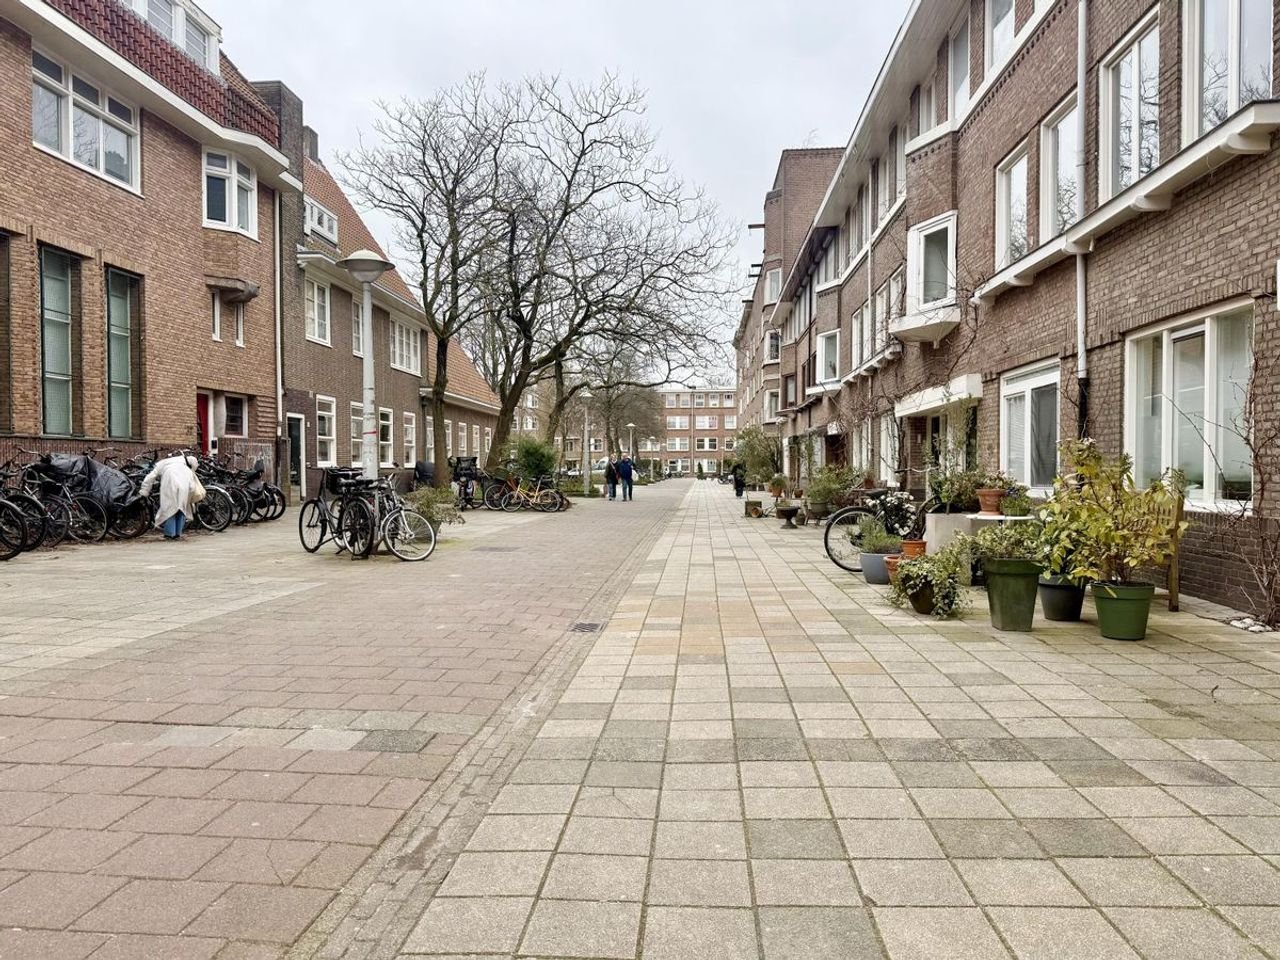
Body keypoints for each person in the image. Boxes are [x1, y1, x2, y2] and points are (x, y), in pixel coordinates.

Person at [139, 453, 203, 540]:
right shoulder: (186, 469)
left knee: (170, 509)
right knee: (181, 509)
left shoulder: (163, 463)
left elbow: (150, 477)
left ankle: (169, 534)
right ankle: (177, 533)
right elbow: (192, 486)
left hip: (169, 486)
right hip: (184, 488)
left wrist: (144, 491)